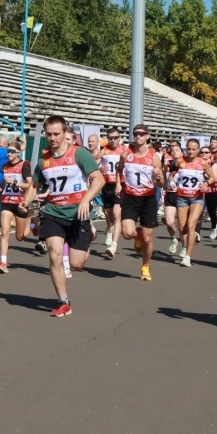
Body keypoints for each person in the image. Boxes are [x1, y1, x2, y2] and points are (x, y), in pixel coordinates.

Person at [29, 115, 104, 317]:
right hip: (53, 212)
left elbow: (99, 180)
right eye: (49, 134)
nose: (52, 138)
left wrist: (86, 200)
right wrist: (25, 203)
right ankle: (63, 302)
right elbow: (34, 186)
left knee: (77, 264)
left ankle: (89, 235)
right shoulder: (43, 160)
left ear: (64, 133)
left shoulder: (79, 154)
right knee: (54, 254)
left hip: (78, 213)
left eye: (56, 134)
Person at [117, 124, 164, 280]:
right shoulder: (126, 154)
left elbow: (161, 184)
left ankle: (145, 266)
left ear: (147, 136)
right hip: (130, 197)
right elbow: (119, 169)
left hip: (148, 199)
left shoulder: (154, 157)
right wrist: (118, 184)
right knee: (127, 233)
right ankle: (137, 235)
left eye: (141, 134)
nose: (138, 136)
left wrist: (159, 177)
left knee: (148, 239)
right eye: (135, 133)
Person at [174, 138, 217, 267]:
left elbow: (213, 177)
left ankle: (188, 257)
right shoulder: (180, 161)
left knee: (191, 225)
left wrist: (206, 183)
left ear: (198, 150)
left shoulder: (203, 163)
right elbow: (171, 173)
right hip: (182, 197)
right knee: (182, 228)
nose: (191, 152)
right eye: (189, 149)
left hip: (197, 197)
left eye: (194, 149)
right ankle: (185, 244)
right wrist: (171, 181)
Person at [0, 140, 33, 274]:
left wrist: (15, 183)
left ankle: (32, 225)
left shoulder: (24, 165)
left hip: (20, 203)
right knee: (4, 232)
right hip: (7, 202)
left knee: (19, 237)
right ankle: (3, 262)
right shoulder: (5, 166)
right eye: (7, 151)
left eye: (11, 151)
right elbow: (5, 181)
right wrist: (0, 189)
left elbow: (30, 185)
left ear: (18, 153)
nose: (8, 154)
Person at [99, 127, 126, 257]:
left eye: (115, 137)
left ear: (120, 138)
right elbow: (93, 165)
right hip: (107, 186)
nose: (113, 140)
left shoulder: (125, 151)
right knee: (111, 217)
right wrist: (100, 169)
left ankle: (113, 245)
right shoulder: (104, 151)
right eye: (110, 138)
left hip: (121, 185)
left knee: (116, 215)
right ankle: (115, 230)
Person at [163, 142, 183, 256]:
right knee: (169, 222)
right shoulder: (167, 163)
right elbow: (164, 177)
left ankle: (185, 247)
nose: (174, 152)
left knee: (182, 225)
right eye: (172, 150)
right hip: (170, 194)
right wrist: (164, 187)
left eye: (177, 150)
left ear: (182, 152)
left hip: (182, 195)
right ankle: (174, 238)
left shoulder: (186, 164)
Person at [200, 144, 217, 239]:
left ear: (210, 154)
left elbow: (215, 179)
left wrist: (205, 174)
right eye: (202, 152)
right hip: (200, 191)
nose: (204, 154)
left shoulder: (213, 164)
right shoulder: (197, 163)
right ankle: (196, 232)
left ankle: (214, 227)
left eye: (206, 152)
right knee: (198, 212)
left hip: (212, 191)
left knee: (211, 212)